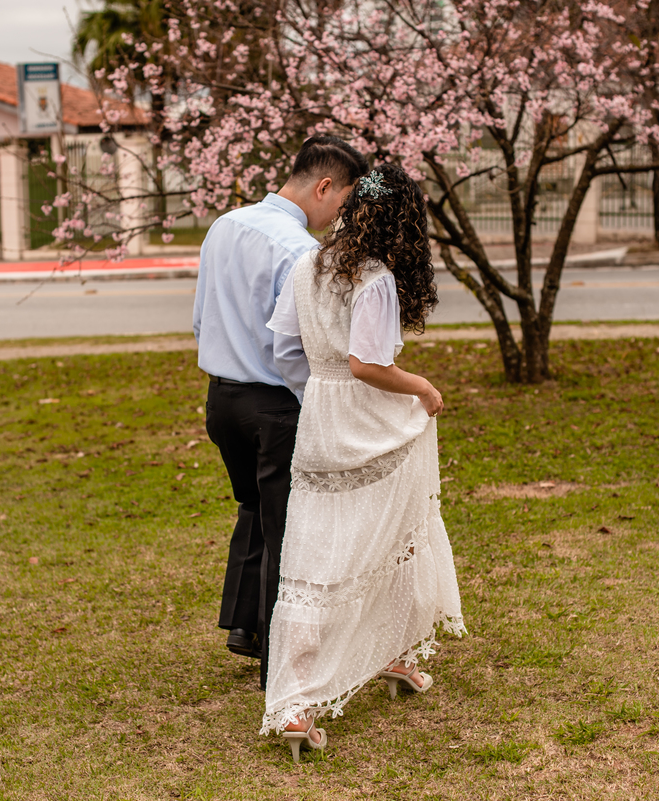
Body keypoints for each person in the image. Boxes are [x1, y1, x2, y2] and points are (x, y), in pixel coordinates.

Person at [260, 164, 466, 762]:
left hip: (321, 420)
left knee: (315, 555)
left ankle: (308, 696)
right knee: (394, 534)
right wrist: (423, 387)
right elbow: (367, 365)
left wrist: (317, 394)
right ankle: (379, 659)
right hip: (369, 423)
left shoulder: (308, 264)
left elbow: (284, 347)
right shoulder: (373, 278)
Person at [193, 135, 369, 688]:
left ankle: (244, 625)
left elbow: (200, 317)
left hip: (222, 399)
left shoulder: (224, 225)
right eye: (344, 203)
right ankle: (281, 659)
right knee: (286, 528)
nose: (340, 218)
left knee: (253, 505)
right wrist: (314, 402)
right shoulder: (298, 251)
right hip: (273, 405)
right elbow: (293, 348)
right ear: (324, 187)